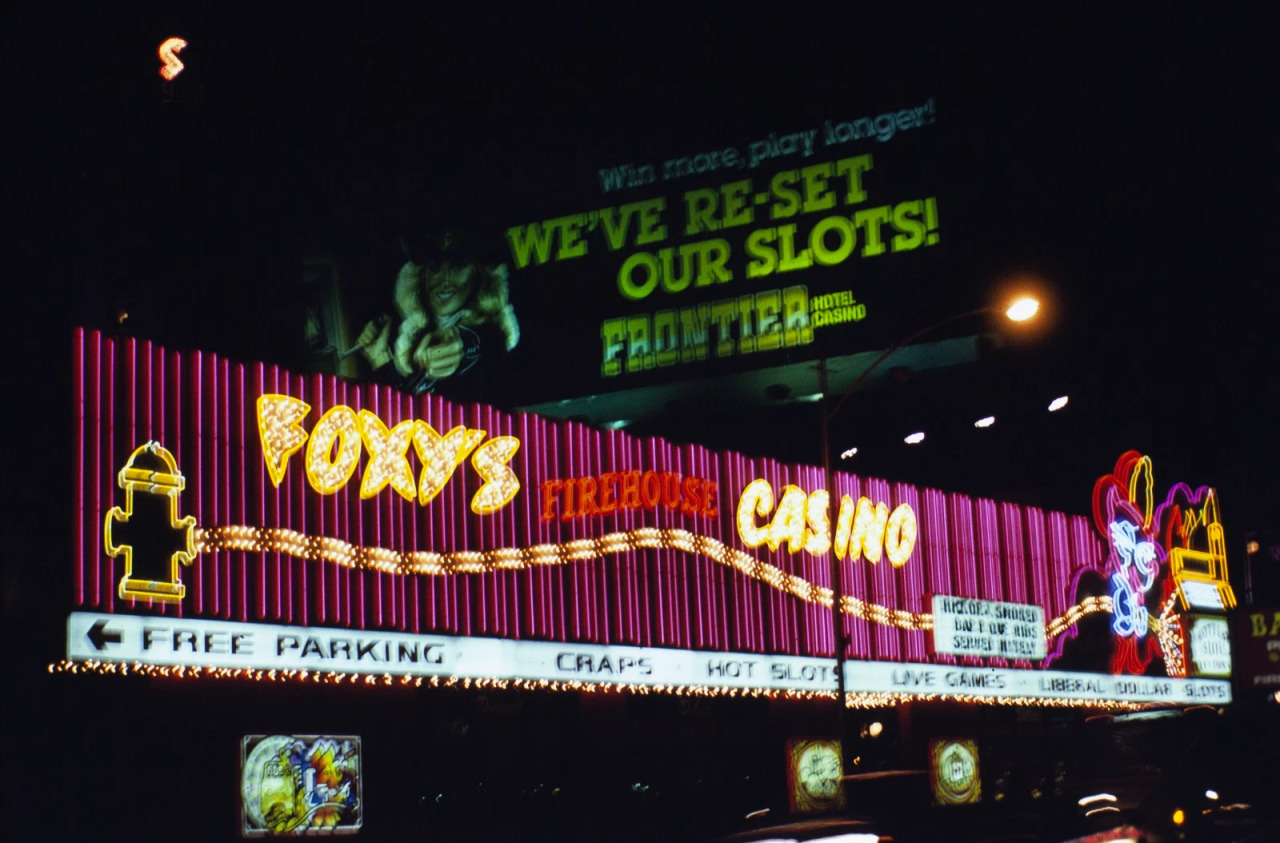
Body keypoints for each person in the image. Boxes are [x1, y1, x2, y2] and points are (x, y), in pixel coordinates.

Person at [354, 228, 519, 396]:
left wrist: (462, 348)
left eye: (458, 266)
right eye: (435, 268)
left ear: (479, 273)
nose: (445, 281)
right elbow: (399, 414)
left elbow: (484, 341)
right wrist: (379, 358)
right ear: (422, 276)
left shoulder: (491, 336)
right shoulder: (416, 339)